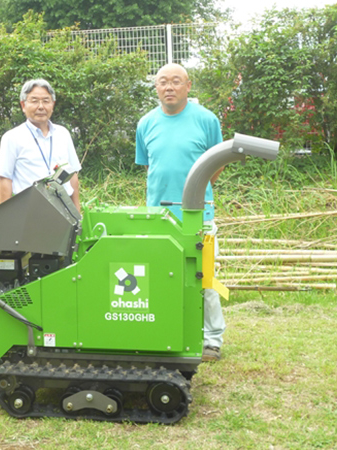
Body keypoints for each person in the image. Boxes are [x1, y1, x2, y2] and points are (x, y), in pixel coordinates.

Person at [135, 63, 225, 362]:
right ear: (156, 87)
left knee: (205, 278)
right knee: (162, 276)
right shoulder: (145, 123)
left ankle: (211, 340)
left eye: (176, 81)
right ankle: (167, 333)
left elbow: (217, 162)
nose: (169, 87)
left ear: (188, 85)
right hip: (158, 216)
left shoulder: (206, 120)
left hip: (200, 215)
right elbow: (150, 167)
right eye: (163, 82)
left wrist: (196, 193)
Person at [0, 79, 81, 212]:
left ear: (52, 104)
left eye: (46, 101)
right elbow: (5, 179)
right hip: (29, 210)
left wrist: (77, 211)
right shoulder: (12, 138)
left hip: (64, 209)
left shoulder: (63, 134)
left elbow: (73, 173)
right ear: (23, 105)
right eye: (34, 101)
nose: (41, 106)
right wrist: (6, 217)